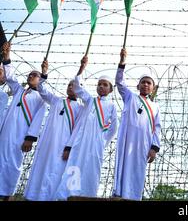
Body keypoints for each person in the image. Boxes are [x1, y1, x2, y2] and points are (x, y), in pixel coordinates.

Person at [55, 55, 117, 200]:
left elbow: (114, 128)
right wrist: (82, 68)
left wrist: (103, 142)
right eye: (99, 84)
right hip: (80, 143)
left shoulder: (112, 106)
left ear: (110, 89)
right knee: (74, 167)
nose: (101, 86)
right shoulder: (90, 100)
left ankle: (87, 196)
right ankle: (69, 196)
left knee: (91, 170)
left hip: (96, 145)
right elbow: (77, 87)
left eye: (105, 85)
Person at [23, 59, 83, 201]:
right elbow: (42, 89)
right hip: (47, 144)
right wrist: (44, 72)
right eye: (69, 85)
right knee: (41, 170)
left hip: (63, 147)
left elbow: (77, 131)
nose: (70, 87)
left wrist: (69, 147)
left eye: (74, 86)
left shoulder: (81, 109)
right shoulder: (56, 100)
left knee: (56, 174)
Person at [113, 48, 161, 200]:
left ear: (153, 88)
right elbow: (119, 82)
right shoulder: (130, 97)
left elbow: (157, 128)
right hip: (127, 140)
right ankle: (119, 194)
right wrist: (122, 62)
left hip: (144, 144)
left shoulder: (155, 107)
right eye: (143, 82)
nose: (146, 85)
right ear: (138, 85)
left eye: (149, 83)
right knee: (123, 165)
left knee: (137, 171)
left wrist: (154, 148)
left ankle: (134, 197)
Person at [0, 42, 46, 200]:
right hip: (6, 133)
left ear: (40, 80)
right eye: (30, 74)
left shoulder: (41, 98)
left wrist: (30, 138)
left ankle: (8, 194)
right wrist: (7, 56)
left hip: (21, 136)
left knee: (13, 163)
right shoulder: (19, 90)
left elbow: (38, 120)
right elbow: (10, 77)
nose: (31, 76)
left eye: (35, 75)